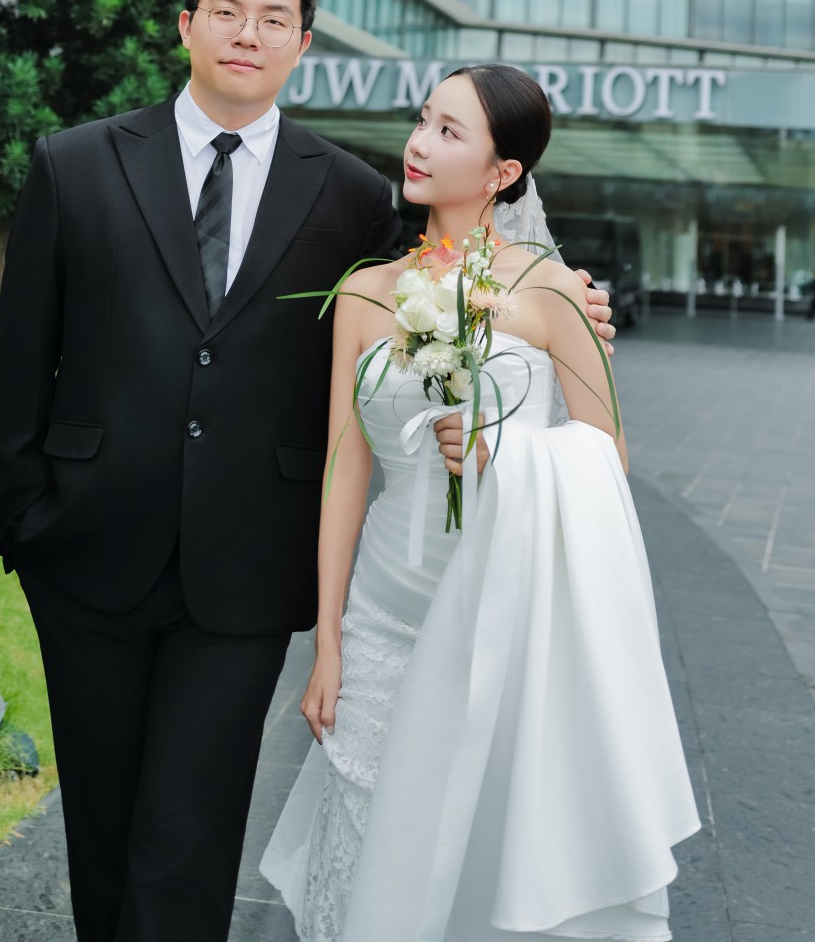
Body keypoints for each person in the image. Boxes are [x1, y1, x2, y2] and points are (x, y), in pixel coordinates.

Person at [0, 0, 614, 942]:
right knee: (99, 825)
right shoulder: (76, 163)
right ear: (187, 25)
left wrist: (562, 302)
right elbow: (24, 357)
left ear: (303, 43)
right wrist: (19, 520)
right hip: (86, 548)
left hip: (246, 566)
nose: (249, 32)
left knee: (187, 837)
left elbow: (444, 287)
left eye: (274, 18)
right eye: (227, 10)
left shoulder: (351, 193)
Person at [262, 65, 699, 941]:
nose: (418, 144)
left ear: (504, 173)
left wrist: (511, 452)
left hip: (507, 612)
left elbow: (607, 451)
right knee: (371, 847)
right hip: (383, 612)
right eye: (422, 120)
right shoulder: (364, 293)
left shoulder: (553, 290)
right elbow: (344, 471)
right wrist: (327, 643)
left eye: (449, 131)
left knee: (480, 845)